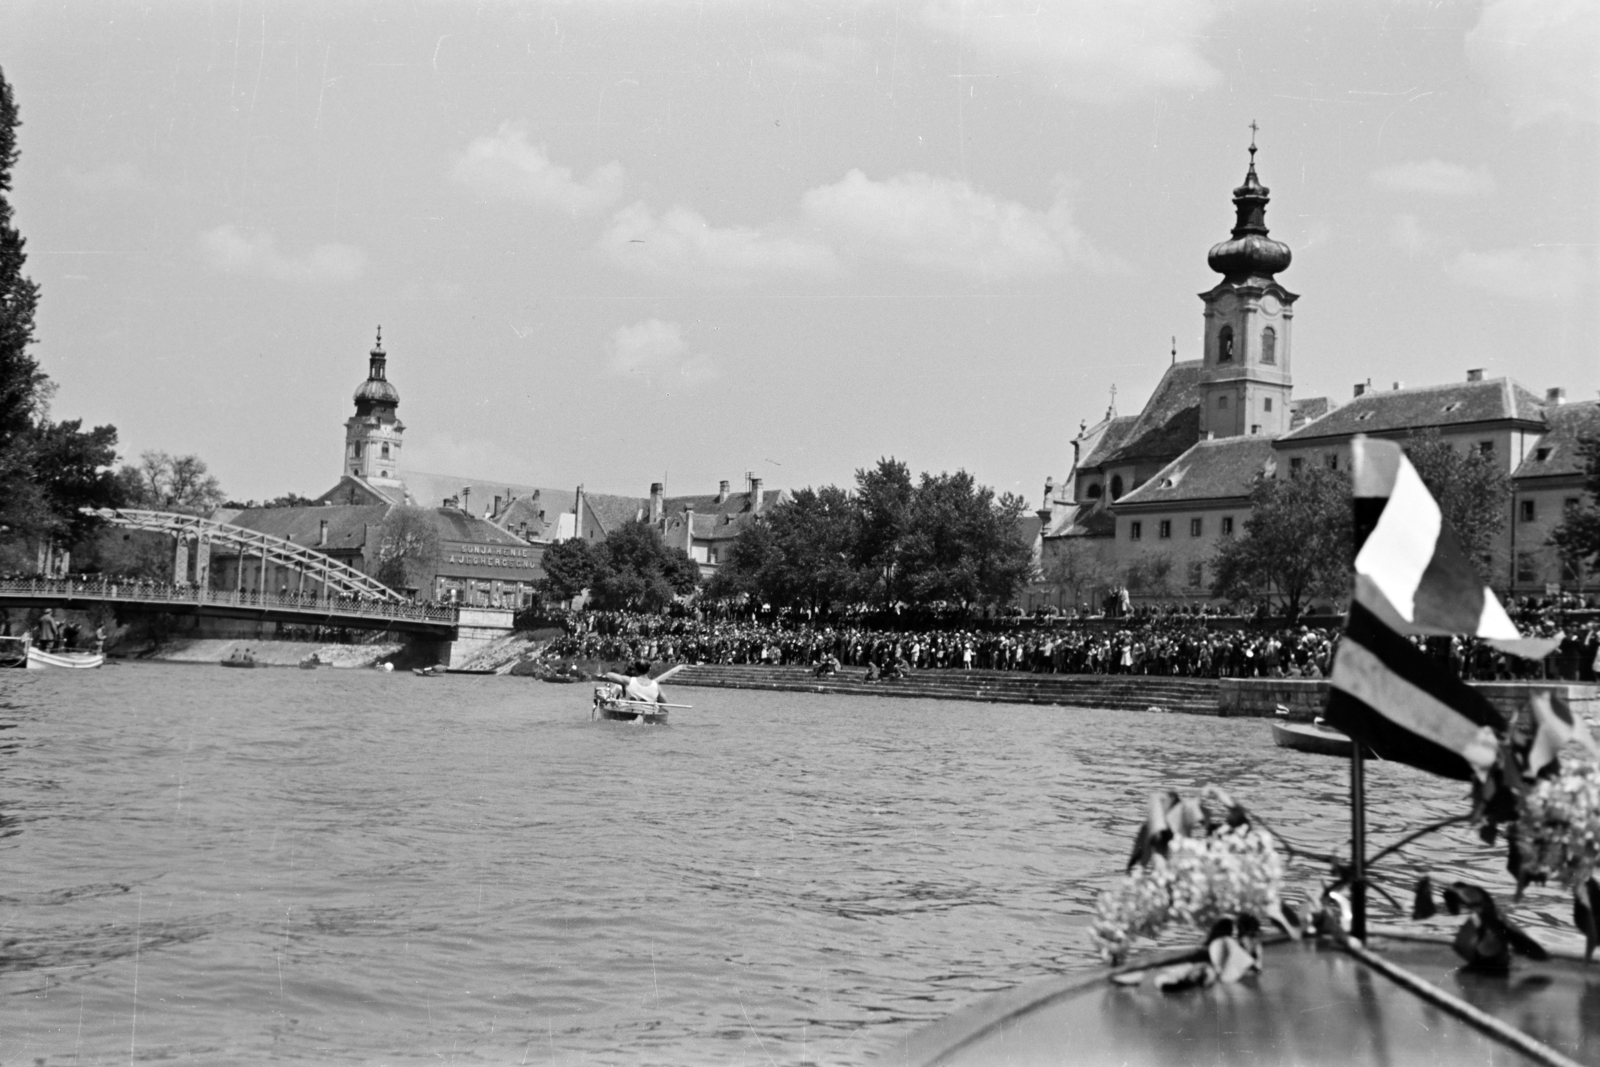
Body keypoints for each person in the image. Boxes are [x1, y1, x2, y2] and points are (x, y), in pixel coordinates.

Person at [601, 659, 669, 708]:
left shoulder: (628, 681)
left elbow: (609, 675)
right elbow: (664, 703)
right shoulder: (657, 686)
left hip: (629, 712)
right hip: (648, 712)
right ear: (649, 669)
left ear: (635, 669)